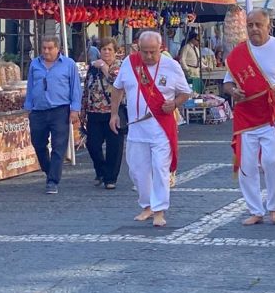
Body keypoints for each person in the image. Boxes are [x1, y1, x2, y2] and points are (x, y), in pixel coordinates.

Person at [224, 10, 275, 225]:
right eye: (250, 25)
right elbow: (227, 82)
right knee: (246, 165)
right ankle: (255, 210)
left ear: (268, 26)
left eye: (258, 24)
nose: (254, 29)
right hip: (246, 116)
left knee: (271, 161)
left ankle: (274, 207)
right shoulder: (239, 53)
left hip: (272, 114)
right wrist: (233, 92)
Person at [109, 31, 191, 228]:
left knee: (160, 168)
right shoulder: (130, 63)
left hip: (160, 128)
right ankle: (147, 205)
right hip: (137, 128)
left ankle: (160, 210)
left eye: (152, 52)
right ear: (138, 48)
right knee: (137, 170)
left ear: (160, 49)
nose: (148, 56)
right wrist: (113, 114)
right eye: (144, 52)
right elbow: (117, 88)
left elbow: (185, 93)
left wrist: (174, 104)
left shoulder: (172, 66)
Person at [23, 35, 82, 196]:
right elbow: (30, 85)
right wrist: (28, 106)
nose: (46, 51)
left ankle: (52, 181)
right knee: (38, 143)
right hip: (38, 110)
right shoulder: (35, 63)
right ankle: (49, 170)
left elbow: (75, 87)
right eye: (44, 48)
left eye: (50, 48)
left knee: (59, 146)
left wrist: (75, 109)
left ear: (58, 49)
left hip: (60, 109)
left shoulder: (68, 64)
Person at [84, 37, 126, 189]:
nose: (106, 52)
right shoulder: (93, 67)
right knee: (92, 145)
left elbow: (116, 83)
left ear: (115, 52)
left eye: (109, 49)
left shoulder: (120, 66)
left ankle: (110, 178)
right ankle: (101, 171)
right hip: (94, 111)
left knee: (114, 147)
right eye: (104, 49)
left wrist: (103, 67)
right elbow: (87, 88)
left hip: (113, 111)